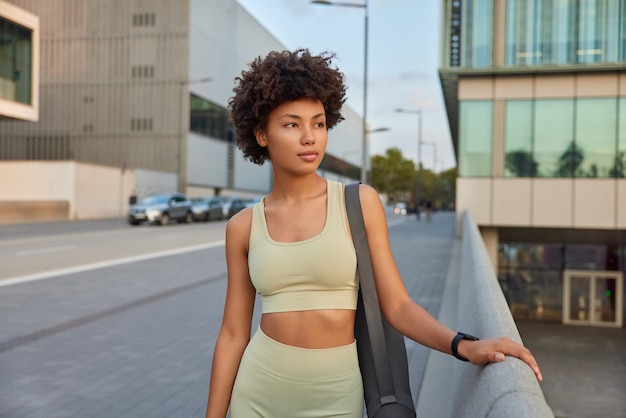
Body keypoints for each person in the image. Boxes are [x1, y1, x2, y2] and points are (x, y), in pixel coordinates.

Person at [205, 49, 542, 418]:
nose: (309, 137)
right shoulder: (242, 227)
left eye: (318, 124)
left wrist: (463, 345)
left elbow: (397, 306)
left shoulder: (359, 203)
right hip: (258, 393)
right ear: (261, 134)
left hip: (335, 398)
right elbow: (233, 335)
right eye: (291, 124)